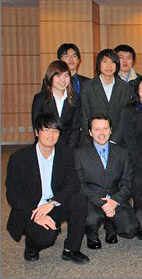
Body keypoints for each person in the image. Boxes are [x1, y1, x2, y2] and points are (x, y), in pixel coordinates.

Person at [6, 113, 90, 264]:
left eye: (55, 131)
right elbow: (13, 195)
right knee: (46, 238)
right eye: (46, 130)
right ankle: (31, 247)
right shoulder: (19, 158)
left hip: (52, 204)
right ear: (37, 132)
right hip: (30, 209)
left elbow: (73, 184)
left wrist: (51, 203)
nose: (51, 135)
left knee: (80, 199)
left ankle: (71, 249)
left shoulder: (65, 154)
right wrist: (37, 214)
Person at [75, 113, 137, 250]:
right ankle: (92, 236)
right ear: (90, 132)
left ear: (110, 130)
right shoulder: (79, 154)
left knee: (130, 230)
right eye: (96, 129)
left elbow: (128, 182)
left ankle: (111, 227)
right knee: (91, 219)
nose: (101, 133)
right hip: (92, 199)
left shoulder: (122, 152)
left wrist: (115, 201)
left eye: (105, 128)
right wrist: (102, 203)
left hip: (116, 198)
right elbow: (79, 185)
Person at [80, 48, 132, 146]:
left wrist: (114, 140)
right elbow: (84, 116)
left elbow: (125, 116)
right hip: (91, 142)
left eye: (113, 62)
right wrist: (94, 138)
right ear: (99, 64)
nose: (109, 66)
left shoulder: (124, 87)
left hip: (118, 142)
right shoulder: (87, 86)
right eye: (105, 62)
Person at [32, 60, 81, 149]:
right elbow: (37, 127)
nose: (63, 80)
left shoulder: (75, 98)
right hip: (46, 146)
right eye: (58, 76)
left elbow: (75, 128)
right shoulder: (40, 98)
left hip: (69, 147)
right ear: (50, 77)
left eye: (66, 75)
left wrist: (69, 150)